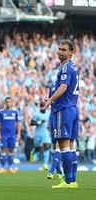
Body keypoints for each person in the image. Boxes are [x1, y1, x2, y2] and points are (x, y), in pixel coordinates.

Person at [41, 39, 79, 189]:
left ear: (71, 52)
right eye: (59, 49)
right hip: (73, 108)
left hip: (64, 109)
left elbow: (63, 87)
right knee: (70, 146)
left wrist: (50, 100)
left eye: (64, 50)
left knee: (63, 146)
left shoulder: (66, 68)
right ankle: (73, 181)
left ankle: (68, 181)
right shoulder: (73, 67)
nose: (60, 52)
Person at [0, 97, 21, 173]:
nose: (8, 103)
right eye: (7, 102)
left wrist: (19, 133)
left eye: (10, 102)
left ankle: (10, 167)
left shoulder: (15, 112)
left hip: (12, 134)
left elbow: (18, 123)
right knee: (3, 149)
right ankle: (2, 167)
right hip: (4, 134)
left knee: (11, 150)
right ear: (5, 103)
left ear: (12, 103)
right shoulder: (1, 112)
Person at [46, 83, 64, 180]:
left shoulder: (53, 86)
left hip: (53, 116)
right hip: (58, 116)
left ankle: (55, 172)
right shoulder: (62, 86)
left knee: (56, 145)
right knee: (57, 145)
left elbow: (50, 100)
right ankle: (55, 172)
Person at [29, 102, 51, 171]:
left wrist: (50, 127)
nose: (43, 107)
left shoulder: (48, 114)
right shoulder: (36, 114)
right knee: (38, 147)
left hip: (45, 132)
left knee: (47, 146)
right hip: (38, 133)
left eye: (44, 106)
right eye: (42, 106)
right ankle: (33, 152)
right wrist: (39, 122)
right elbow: (31, 123)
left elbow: (50, 122)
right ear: (40, 107)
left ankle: (45, 164)